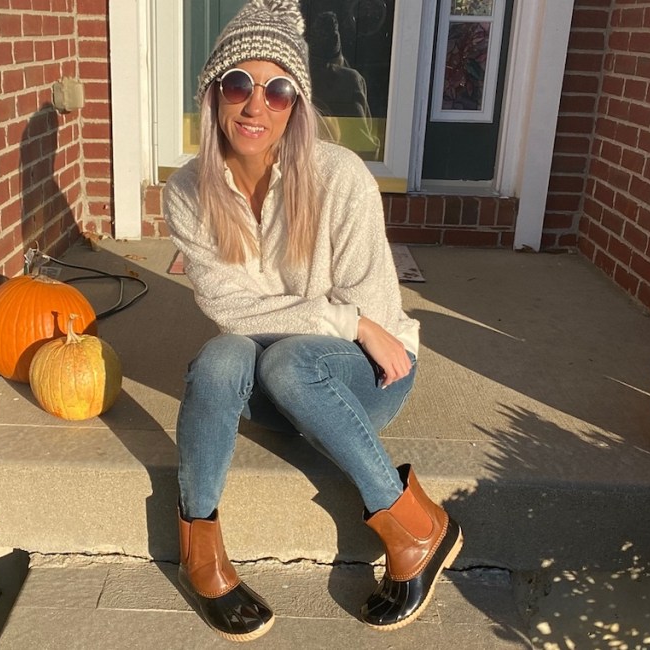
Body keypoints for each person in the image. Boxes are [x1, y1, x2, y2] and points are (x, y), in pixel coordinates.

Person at [162, 0, 462, 642]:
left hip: (367, 377)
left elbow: (379, 315)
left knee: (288, 359)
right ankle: (201, 553)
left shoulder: (341, 176)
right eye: (239, 83)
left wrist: (360, 328)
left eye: (278, 90)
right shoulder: (187, 192)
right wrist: (347, 321)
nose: (255, 106)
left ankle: (413, 527)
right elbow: (229, 307)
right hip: (301, 369)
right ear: (213, 93)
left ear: (296, 105)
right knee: (220, 359)